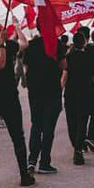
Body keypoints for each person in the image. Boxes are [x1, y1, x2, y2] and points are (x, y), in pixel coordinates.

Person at [0, 19, 35, 186]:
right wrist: (17, 26)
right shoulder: (9, 45)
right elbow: (24, 43)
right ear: (0, 30)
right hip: (9, 96)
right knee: (18, 136)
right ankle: (24, 174)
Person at [24, 30, 63, 174]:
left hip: (35, 91)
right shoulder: (55, 43)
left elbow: (26, 67)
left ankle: (32, 160)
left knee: (36, 125)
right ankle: (44, 162)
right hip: (52, 90)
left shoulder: (31, 45)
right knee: (48, 128)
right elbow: (64, 65)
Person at [63, 29, 94, 166]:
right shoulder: (89, 57)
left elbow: (64, 75)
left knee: (71, 122)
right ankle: (78, 149)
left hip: (70, 93)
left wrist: (59, 89)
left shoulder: (68, 57)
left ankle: (76, 146)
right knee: (82, 122)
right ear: (85, 42)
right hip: (86, 94)